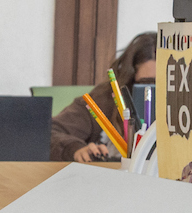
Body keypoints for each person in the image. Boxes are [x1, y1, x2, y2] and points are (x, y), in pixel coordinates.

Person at [50, 29, 159, 161]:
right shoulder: (105, 99)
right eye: (147, 83)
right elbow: (51, 132)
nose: (157, 91)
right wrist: (76, 149)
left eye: (165, 83)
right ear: (130, 78)